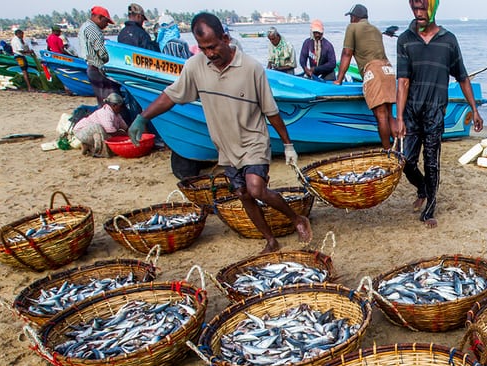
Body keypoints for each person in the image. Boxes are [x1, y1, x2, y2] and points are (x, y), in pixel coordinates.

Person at [128, 12, 312, 252]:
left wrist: (288, 145)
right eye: (203, 48)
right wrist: (143, 117)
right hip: (225, 146)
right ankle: (270, 240)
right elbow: (171, 96)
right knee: (244, 195)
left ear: (225, 38)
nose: (210, 54)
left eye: (213, 46)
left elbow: (271, 111)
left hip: (253, 141)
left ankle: (296, 218)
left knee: (257, 189)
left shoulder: (251, 68)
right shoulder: (195, 66)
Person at [394, 0, 483, 228]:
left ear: (433, 8)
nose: (419, 13)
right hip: (412, 111)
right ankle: (422, 187)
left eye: (423, 8)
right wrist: (400, 117)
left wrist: (474, 109)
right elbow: (402, 81)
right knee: (406, 162)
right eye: (415, 9)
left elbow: (462, 77)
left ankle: (429, 209)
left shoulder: (448, 41)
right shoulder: (405, 40)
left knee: (432, 163)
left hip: (435, 112)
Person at [333, 3, 396, 149]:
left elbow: (347, 53)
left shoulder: (352, 28)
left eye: (351, 17)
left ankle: (388, 151)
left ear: (355, 17)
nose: (350, 20)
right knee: (388, 114)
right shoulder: (375, 29)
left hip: (373, 71)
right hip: (388, 70)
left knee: (380, 115)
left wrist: (339, 79)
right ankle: (399, 149)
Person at [80, 6, 122, 105]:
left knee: (103, 100)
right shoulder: (92, 29)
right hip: (97, 69)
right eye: (106, 21)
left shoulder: (85, 26)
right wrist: (112, 61)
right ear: (99, 17)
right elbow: (101, 51)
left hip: (91, 67)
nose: (106, 25)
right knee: (110, 101)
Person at [72, 92, 128, 156]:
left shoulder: (117, 115)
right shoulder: (106, 113)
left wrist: (129, 134)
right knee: (98, 128)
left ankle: (88, 146)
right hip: (81, 132)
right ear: (114, 105)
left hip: (91, 132)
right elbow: (111, 131)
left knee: (115, 134)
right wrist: (123, 134)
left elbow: (125, 128)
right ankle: (98, 151)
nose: (122, 108)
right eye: (120, 106)